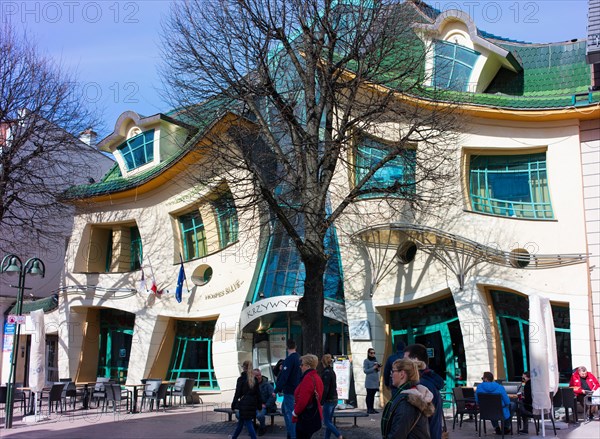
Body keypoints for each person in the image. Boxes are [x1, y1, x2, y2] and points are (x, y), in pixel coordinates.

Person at [381, 358, 435, 439]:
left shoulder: (407, 401)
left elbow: (397, 435)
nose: (391, 375)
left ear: (402, 374)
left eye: (393, 371)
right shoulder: (410, 395)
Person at [404, 344, 444, 439]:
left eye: (405, 360)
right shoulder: (429, 379)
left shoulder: (421, 385)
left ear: (416, 360)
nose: (403, 363)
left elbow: (417, 421)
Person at [292, 354, 324, 439]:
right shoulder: (316, 377)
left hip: (305, 417)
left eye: (302, 365)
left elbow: (303, 400)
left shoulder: (308, 378)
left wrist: (295, 412)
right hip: (312, 415)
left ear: (308, 366)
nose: (300, 367)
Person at [476, 371, 516, 435]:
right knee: (513, 405)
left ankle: (496, 427)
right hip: (500, 411)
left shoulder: (479, 387)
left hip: (486, 412)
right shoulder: (499, 387)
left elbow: (477, 401)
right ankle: (506, 427)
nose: (482, 380)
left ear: (486, 379)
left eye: (482, 378)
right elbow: (507, 402)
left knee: (491, 407)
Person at [276, 339, 302, 439]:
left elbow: (284, 377)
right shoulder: (299, 358)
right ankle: (290, 433)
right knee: (285, 409)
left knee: (290, 414)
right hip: (297, 389)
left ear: (287, 347)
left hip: (290, 390)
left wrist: (276, 389)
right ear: (295, 347)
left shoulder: (289, 359)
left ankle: (292, 435)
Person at [231, 360, 262, 439]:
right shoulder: (254, 379)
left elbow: (237, 393)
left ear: (244, 368)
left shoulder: (241, 379)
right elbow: (258, 394)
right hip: (252, 403)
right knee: (241, 422)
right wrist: (259, 406)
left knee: (248, 423)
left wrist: (233, 404)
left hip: (244, 403)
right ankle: (234, 437)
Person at [320, 354, 344, 439]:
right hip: (334, 398)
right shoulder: (332, 371)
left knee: (326, 422)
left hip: (329, 399)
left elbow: (325, 389)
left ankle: (339, 435)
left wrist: (321, 401)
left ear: (322, 362)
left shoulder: (326, 373)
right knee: (329, 421)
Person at [254, 368, 277, 436]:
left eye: (259, 375)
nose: (258, 377)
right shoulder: (251, 384)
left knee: (260, 415)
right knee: (239, 414)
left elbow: (273, 396)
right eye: (256, 376)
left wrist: (266, 405)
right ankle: (252, 425)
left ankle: (263, 427)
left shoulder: (267, 385)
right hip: (253, 405)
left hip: (264, 406)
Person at [363, 347, 381, 414]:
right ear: (368, 353)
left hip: (375, 380)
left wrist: (378, 368)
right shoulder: (366, 361)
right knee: (369, 395)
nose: (373, 354)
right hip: (369, 381)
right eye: (371, 353)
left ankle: (372, 408)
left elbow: (377, 370)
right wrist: (373, 367)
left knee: (373, 395)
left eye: (374, 353)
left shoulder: (375, 360)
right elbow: (365, 371)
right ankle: (369, 409)